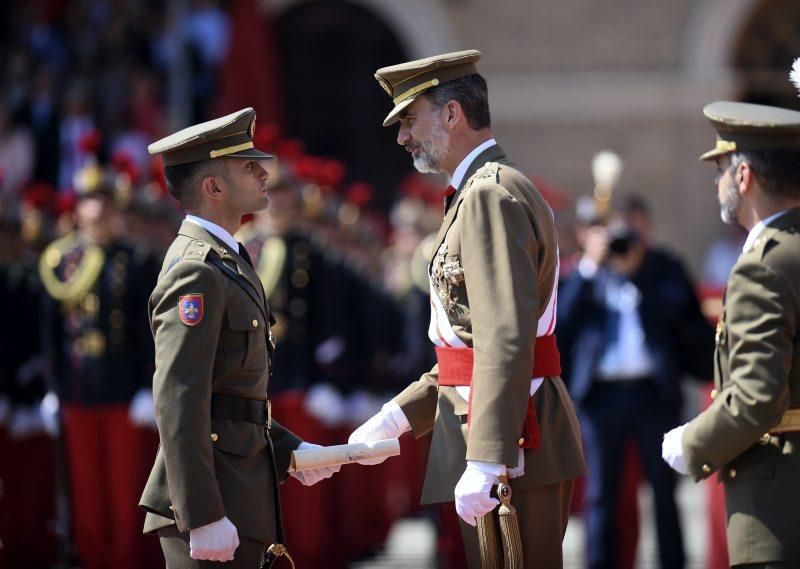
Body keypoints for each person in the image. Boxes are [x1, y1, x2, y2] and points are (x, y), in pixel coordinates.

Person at [348, 50, 587, 567]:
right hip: (500, 428)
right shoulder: (480, 191)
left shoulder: (489, 196)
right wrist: (395, 417)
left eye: (410, 121)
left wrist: (488, 455)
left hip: (513, 436)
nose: (402, 137)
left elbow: (504, 337)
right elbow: (466, 346)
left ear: (451, 114)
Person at [139, 107, 338, 567]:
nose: (263, 171)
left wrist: (291, 449)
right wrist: (203, 514)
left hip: (237, 488)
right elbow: (179, 396)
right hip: (212, 503)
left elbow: (231, 397)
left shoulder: (228, 258)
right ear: (214, 187)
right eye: (248, 165)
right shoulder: (196, 269)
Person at [662, 100, 800, 568]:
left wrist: (692, 444)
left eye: (721, 168)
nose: (717, 182)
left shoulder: (763, 266)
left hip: (780, 510)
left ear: (744, 177)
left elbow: (758, 396)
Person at [557, 195, 714, 569]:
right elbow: (560, 327)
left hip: (653, 394)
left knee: (664, 492)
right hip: (601, 397)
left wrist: (638, 272)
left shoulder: (664, 267)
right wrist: (592, 268)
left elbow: (683, 320)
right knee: (600, 496)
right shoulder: (584, 274)